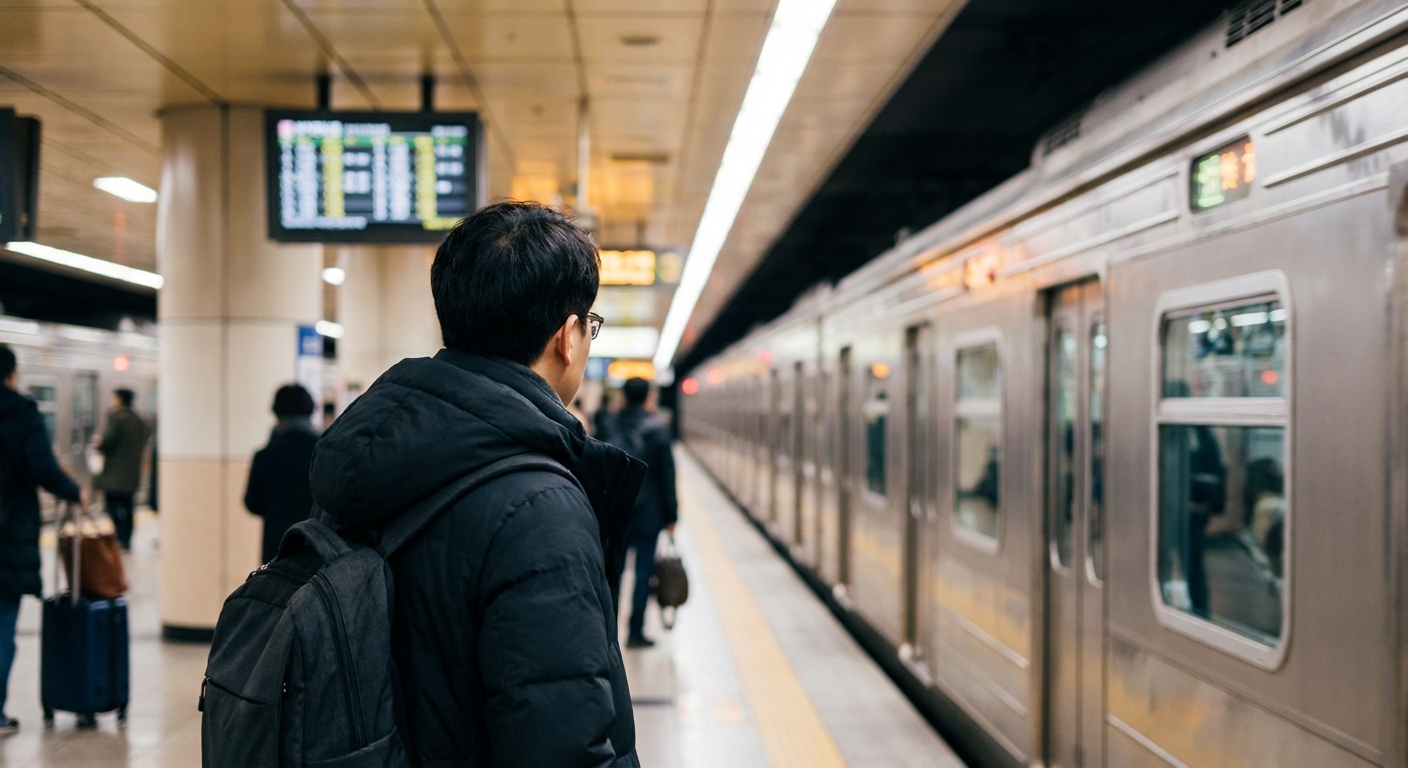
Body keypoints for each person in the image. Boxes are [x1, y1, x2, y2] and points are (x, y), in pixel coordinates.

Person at [309, 201, 645, 766]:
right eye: (590, 326)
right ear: (568, 336)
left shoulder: (356, 460)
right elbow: (563, 741)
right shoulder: (541, 507)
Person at [0, 344, 82, 735]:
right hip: (8, 535)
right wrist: (73, 491)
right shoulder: (21, 414)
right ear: (12, 375)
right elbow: (43, 468)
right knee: (2, 625)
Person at [604, 377, 678, 648]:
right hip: (649, 515)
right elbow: (666, 477)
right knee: (644, 573)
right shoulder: (657, 430)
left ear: (623, 396)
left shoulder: (608, 424)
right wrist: (672, 517)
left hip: (616, 513)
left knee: (613, 574)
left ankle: (608, 633)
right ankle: (635, 632)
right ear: (648, 397)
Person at [243, 384, 319, 564]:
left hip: (276, 547)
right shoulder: (322, 452)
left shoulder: (265, 455)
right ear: (311, 411)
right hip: (316, 545)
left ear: (275, 412)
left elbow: (252, 503)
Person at [93, 388, 149, 550]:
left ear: (119, 399)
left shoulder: (115, 418)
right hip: (132, 472)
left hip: (114, 473)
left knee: (112, 506)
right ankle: (127, 538)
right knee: (128, 506)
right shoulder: (140, 420)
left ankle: (119, 536)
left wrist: (99, 443)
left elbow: (108, 442)